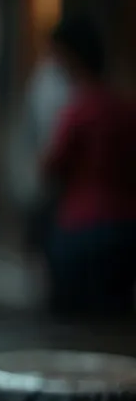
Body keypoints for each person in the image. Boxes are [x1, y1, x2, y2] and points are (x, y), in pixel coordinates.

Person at [39, 16, 136, 318]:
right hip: (125, 225)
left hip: (80, 228)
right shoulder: (123, 108)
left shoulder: (77, 111)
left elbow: (51, 166)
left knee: (76, 325)